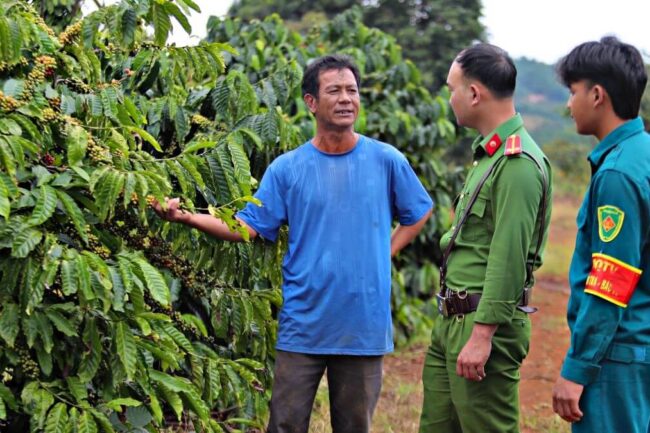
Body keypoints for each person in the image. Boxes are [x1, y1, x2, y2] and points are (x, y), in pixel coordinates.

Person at [153, 55, 433, 433]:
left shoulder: (386, 160)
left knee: (354, 426)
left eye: (352, 90)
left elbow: (418, 212)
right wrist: (187, 216)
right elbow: (246, 228)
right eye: (334, 90)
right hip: (304, 324)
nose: (346, 98)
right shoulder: (288, 169)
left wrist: (385, 251)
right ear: (311, 102)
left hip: (361, 323)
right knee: (285, 423)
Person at [418, 43, 552, 433]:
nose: (450, 98)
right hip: (454, 318)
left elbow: (508, 257)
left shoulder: (517, 164)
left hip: (481, 323)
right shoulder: (489, 156)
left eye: (451, 89)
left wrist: (482, 335)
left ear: (474, 94)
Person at [552, 37, 650, 433]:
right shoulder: (642, 155)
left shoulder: (617, 175)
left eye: (573, 92)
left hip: (618, 357)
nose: (568, 104)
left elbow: (611, 283)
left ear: (597, 95)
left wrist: (577, 369)